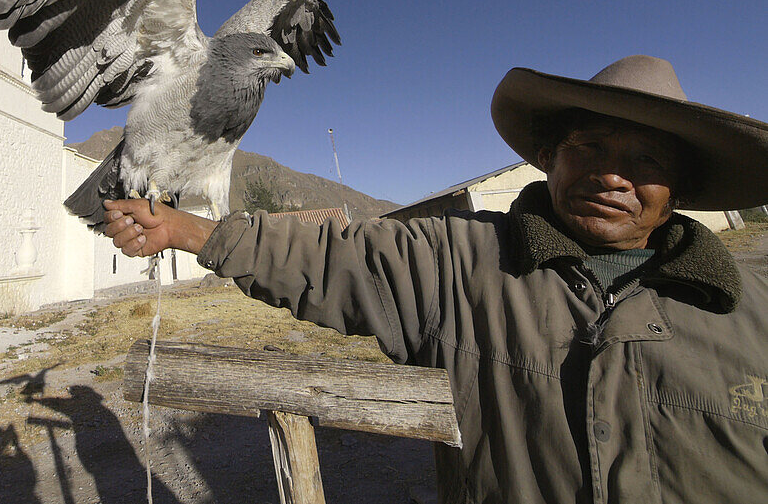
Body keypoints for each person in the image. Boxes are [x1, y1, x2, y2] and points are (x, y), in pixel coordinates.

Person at [102, 55, 768, 504]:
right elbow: (335, 254)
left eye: (645, 158)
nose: (613, 174)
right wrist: (187, 230)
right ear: (547, 158)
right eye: (588, 147)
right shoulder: (464, 262)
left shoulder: (754, 315)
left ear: (679, 185)